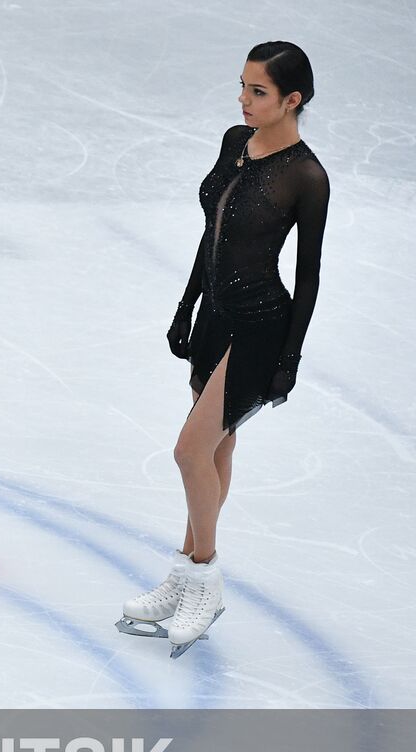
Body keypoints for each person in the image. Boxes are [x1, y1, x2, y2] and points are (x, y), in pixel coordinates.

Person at [122, 41, 331, 650]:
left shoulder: (306, 177)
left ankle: (204, 578)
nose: (243, 99)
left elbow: (310, 276)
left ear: (293, 100)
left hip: (260, 325)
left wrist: (288, 359)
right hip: (214, 317)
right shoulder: (232, 143)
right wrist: (186, 305)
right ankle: (183, 572)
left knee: (190, 452)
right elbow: (210, 231)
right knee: (216, 449)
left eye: (258, 91)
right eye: (242, 86)